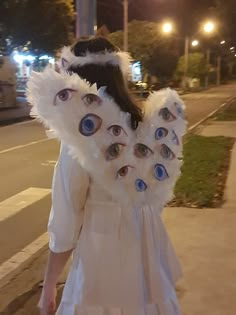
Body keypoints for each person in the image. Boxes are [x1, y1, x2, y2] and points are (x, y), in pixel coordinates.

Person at [33, 36, 184, 315]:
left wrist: (50, 284)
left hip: (101, 260)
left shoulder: (82, 140)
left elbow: (66, 221)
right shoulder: (144, 127)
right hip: (147, 259)